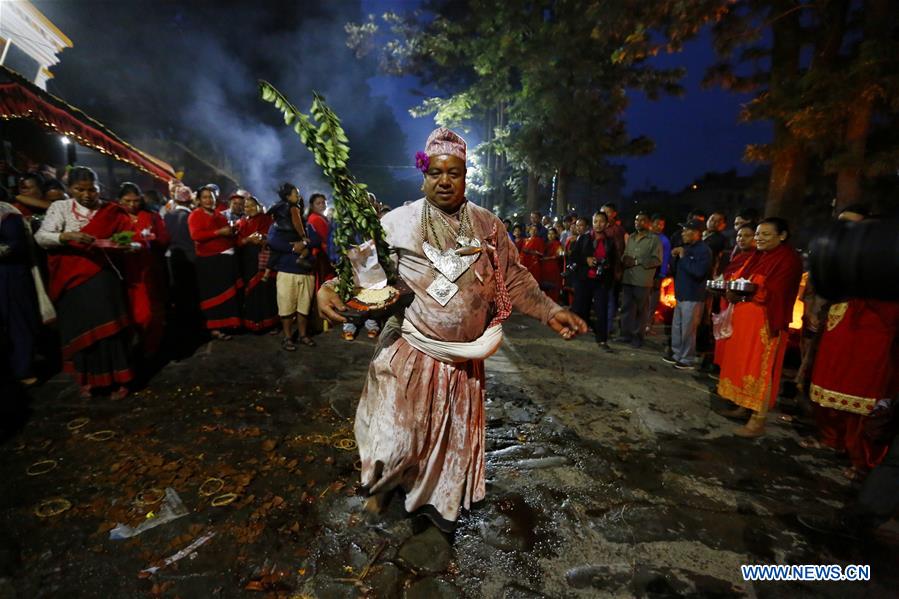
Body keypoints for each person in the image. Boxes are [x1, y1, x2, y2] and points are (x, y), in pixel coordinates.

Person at [316, 128, 587, 530]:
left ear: (466, 175)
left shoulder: (487, 226)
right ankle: (384, 484)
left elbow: (512, 277)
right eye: (436, 173)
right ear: (423, 176)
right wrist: (329, 288)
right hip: (409, 352)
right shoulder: (396, 223)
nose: (445, 181)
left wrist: (550, 310)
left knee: (445, 447)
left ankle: (436, 507)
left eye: (454, 172)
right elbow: (365, 274)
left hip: (461, 364)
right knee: (396, 438)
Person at [35, 167, 134, 399]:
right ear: (69, 189)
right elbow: (41, 237)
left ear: (99, 188)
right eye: (80, 189)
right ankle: (88, 380)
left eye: (92, 189)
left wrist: (124, 244)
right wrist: (67, 236)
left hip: (103, 276)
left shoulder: (110, 210)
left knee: (111, 330)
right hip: (72, 279)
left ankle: (120, 379)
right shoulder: (60, 208)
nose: (87, 195)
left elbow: (130, 239)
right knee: (82, 330)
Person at [715, 218, 803, 437]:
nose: (759, 238)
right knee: (744, 367)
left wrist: (749, 290)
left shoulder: (788, 260)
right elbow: (742, 277)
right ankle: (744, 406)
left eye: (765, 234)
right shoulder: (758, 256)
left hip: (765, 324)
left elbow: (774, 292)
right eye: (758, 234)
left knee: (760, 371)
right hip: (745, 322)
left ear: (782, 236)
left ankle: (758, 420)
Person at [804, 298, 899, 478]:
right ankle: (832, 438)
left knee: (863, 390)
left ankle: (861, 459)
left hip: (877, 323)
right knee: (829, 382)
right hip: (843, 315)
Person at [118, 182, 170, 356]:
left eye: (135, 201)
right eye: (127, 201)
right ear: (119, 200)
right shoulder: (115, 216)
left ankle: (152, 345)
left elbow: (164, 239)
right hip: (124, 270)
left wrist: (150, 240)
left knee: (150, 310)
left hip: (148, 268)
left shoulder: (152, 216)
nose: (132, 205)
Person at [267, 183, 319, 350]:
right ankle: (288, 337)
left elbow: (316, 240)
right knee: (286, 307)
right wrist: (293, 248)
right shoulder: (278, 226)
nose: (299, 199)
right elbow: (273, 241)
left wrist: (303, 243)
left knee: (304, 307)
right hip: (286, 271)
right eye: (296, 195)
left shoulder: (306, 225)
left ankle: (303, 335)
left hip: (306, 272)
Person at [188, 185, 242, 340]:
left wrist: (233, 232)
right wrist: (219, 232)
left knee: (226, 295)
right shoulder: (195, 215)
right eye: (205, 197)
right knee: (213, 296)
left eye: (211, 197)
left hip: (225, 259)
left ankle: (226, 325)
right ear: (198, 200)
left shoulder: (219, 215)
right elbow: (196, 235)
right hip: (209, 261)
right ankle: (215, 328)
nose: (208, 200)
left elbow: (227, 233)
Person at [0, 200, 40, 384]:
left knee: (18, 322)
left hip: (10, 275)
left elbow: (13, 247)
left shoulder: (8, 215)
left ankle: (23, 369)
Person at [663, 221, 712, 370]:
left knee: (688, 329)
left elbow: (698, 272)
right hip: (681, 294)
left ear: (697, 233)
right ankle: (677, 354)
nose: (683, 234)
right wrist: (674, 256)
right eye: (683, 231)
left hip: (693, 295)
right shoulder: (685, 247)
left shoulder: (704, 250)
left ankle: (687, 358)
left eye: (686, 231)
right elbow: (676, 270)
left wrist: (684, 256)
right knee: (677, 326)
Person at [163, 183, 202, 356]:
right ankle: (192, 331)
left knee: (177, 295)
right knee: (190, 295)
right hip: (189, 259)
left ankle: (179, 329)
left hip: (171, 258)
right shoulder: (192, 217)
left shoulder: (167, 216)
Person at [570, 211, 617, 351]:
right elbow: (574, 257)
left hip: (600, 281)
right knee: (581, 309)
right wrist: (586, 260)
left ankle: (602, 339)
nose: (598, 224)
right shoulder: (584, 239)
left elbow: (614, 261)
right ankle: (583, 327)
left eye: (601, 221)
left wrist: (606, 265)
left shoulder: (610, 242)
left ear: (607, 224)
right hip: (584, 280)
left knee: (601, 310)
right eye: (596, 221)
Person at [615, 212, 662, 349]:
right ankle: (625, 335)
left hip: (643, 280)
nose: (638, 222)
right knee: (626, 308)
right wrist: (624, 259)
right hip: (628, 278)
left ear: (648, 223)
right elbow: (625, 254)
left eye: (642, 220)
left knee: (641, 310)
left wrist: (637, 261)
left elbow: (657, 260)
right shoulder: (631, 237)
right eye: (636, 220)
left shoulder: (654, 239)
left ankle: (638, 337)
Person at [236, 196, 278, 332]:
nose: (250, 208)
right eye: (247, 206)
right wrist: (247, 240)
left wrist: (262, 239)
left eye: (252, 205)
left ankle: (270, 323)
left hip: (263, 261)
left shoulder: (267, 220)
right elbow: (237, 241)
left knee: (266, 291)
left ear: (259, 206)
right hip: (248, 261)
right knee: (250, 292)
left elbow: (273, 238)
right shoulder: (241, 222)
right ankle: (253, 323)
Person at [306, 192, 335, 286]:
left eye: (323, 202)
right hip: (322, 255)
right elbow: (326, 238)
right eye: (318, 203)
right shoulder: (316, 219)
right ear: (312, 206)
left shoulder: (318, 217)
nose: (322, 205)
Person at [648, 214, 671, 333]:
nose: (659, 226)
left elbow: (666, 259)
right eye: (657, 223)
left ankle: (648, 325)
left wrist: (661, 275)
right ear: (651, 224)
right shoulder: (645, 236)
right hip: (643, 274)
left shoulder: (664, 241)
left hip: (657, 275)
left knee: (653, 302)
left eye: (662, 225)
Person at [540, 227, 564, 302]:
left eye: (552, 234)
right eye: (549, 234)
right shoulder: (546, 244)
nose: (550, 235)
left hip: (553, 266)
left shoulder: (558, 244)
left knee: (553, 284)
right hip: (545, 267)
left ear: (556, 235)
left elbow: (560, 255)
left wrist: (547, 258)